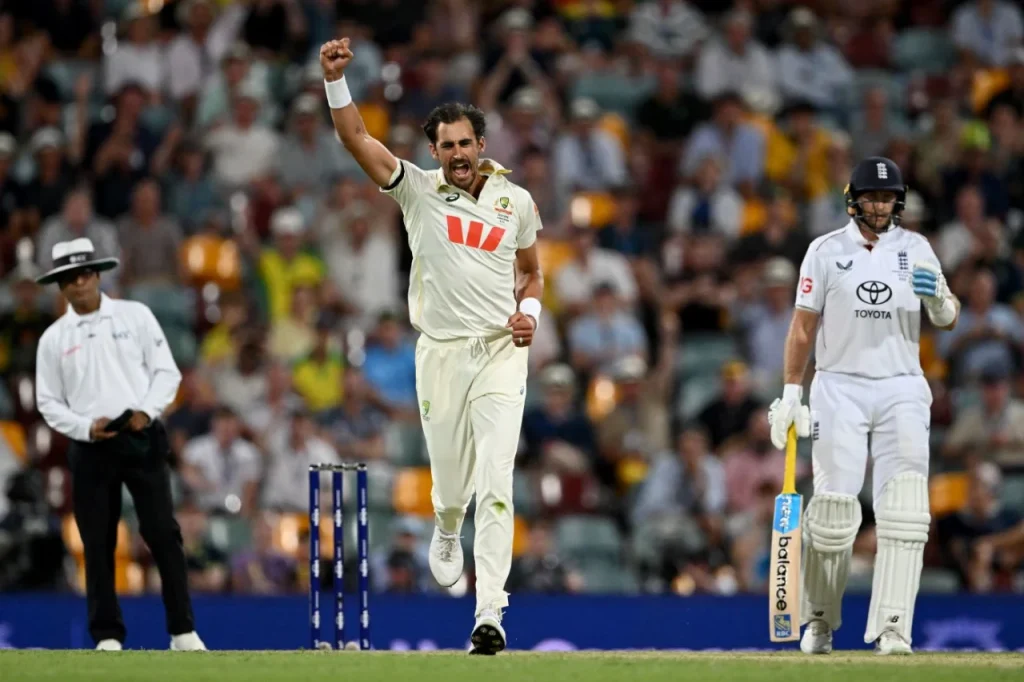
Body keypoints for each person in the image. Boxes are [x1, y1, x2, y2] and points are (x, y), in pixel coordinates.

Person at [318, 38, 545, 654]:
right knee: (451, 484)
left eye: (466, 143)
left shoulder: (516, 202)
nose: (458, 154)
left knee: (497, 480)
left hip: (500, 354)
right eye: (447, 146)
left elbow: (532, 273)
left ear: (481, 145)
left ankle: (490, 612)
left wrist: (528, 313)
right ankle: (446, 525)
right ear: (434, 152)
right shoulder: (416, 189)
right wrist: (336, 81)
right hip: (440, 353)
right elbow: (356, 138)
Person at [768, 157, 960, 655]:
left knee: (905, 514)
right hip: (839, 386)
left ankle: (895, 628)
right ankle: (819, 621)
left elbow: (949, 318)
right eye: (872, 197)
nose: (880, 205)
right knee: (832, 514)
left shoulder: (917, 248)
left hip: (902, 386)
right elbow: (803, 327)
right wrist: (791, 392)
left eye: (888, 197)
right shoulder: (825, 251)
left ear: (899, 201)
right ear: (853, 200)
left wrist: (939, 299)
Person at [34, 238, 206, 652]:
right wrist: (83, 427)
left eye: (84, 274)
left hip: (140, 435)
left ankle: (182, 630)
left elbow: (166, 373)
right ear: (61, 287)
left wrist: (146, 411)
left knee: (162, 532)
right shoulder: (53, 339)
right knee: (97, 542)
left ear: (97, 275)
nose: (79, 283)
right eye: (69, 279)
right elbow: (47, 401)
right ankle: (107, 634)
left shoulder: (136, 315)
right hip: (91, 443)